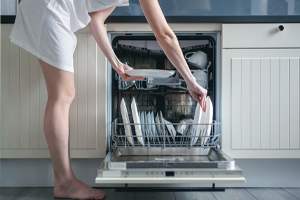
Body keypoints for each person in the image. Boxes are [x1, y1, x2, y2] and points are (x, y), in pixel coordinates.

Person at [10, 0, 207, 199]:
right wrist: (190, 80)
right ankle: (64, 182)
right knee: (62, 94)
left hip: (56, 8)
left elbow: (95, 20)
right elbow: (164, 35)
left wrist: (118, 65)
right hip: (49, 6)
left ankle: (65, 181)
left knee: (63, 94)